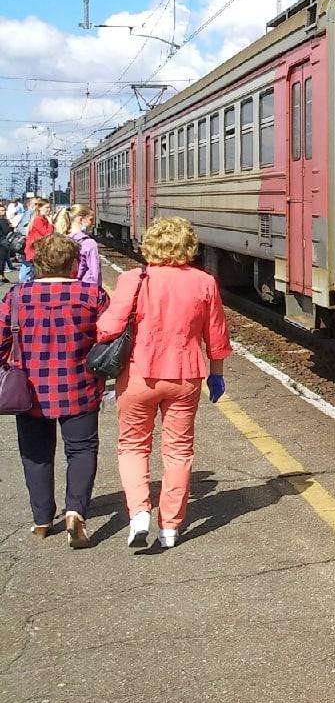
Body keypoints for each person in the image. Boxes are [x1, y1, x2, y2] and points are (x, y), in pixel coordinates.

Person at [97, 216, 230, 549]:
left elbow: (108, 329)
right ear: (188, 245)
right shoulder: (204, 282)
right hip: (186, 377)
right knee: (178, 451)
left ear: (150, 244)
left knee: (132, 445)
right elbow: (216, 336)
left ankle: (139, 513)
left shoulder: (133, 279)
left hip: (139, 374)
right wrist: (217, 374)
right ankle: (170, 527)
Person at [1, 233, 109, 547]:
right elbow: (108, 339)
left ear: (38, 263)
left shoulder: (17, 296)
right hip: (79, 387)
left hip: (29, 391)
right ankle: (75, 512)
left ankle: (42, 519)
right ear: (74, 263)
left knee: (36, 454)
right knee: (81, 451)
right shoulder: (92, 295)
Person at [56, 204, 101, 290]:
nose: (93, 223)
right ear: (80, 219)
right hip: (84, 291)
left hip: (64, 289)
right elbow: (95, 275)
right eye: (91, 219)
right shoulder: (89, 244)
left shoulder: (61, 239)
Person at [19, 197, 53, 285]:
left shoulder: (43, 219)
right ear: (40, 208)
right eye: (47, 207)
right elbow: (46, 234)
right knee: (30, 272)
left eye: (49, 207)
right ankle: (24, 287)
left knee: (33, 271)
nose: (49, 209)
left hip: (38, 249)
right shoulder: (38, 219)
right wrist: (50, 223)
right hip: (34, 250)